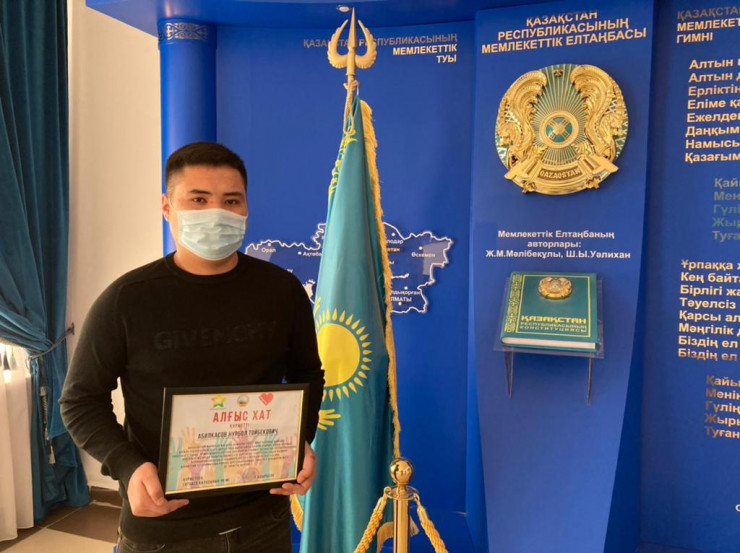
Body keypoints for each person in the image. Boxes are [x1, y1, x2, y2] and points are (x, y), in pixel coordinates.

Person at [60, 142, 324, 553]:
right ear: (167, 207)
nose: (216, 212)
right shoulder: (127, 300)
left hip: (263, 519)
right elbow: (80, 401)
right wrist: (129, 467)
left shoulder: (282, 291)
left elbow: (308, 374)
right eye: (198, 199)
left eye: (231, 200)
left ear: (246, 208)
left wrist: (298, 442)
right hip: (163, 527)